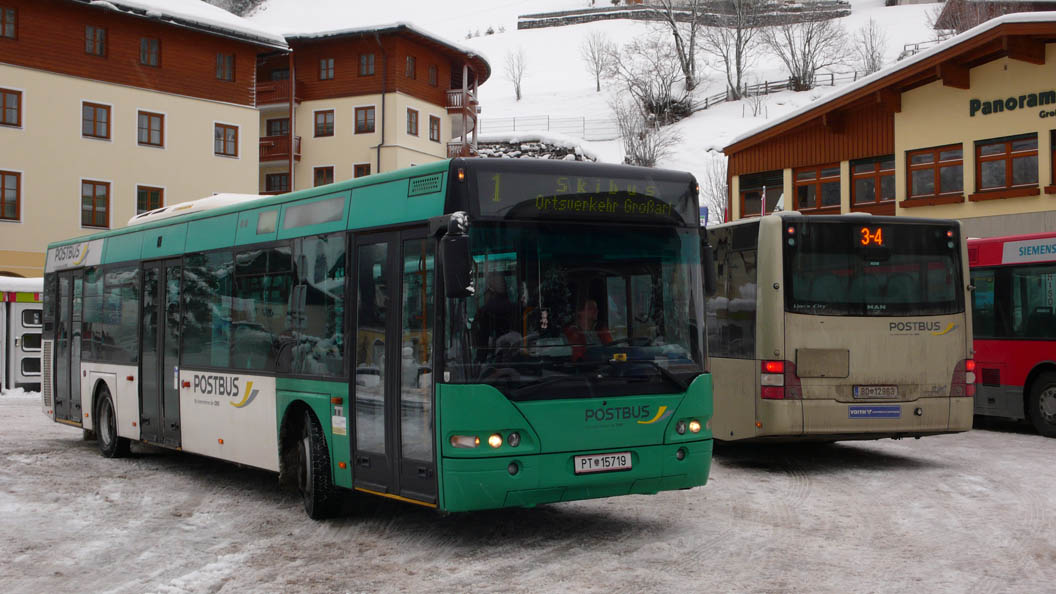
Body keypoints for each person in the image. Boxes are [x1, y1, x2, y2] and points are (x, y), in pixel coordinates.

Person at [471, 272, 518, 361]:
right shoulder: (517, 309)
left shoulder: (483, 312)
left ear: (490, 289)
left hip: (494, 363)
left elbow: (481, 348)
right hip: (518, 362)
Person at [563, 297, 612, 362]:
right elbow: (576, 357)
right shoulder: (571, 332)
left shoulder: (601, 330)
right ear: (579, 312)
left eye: (596, 308)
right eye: (590, 308)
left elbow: (611, 350)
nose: (596, 311)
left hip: (603, 366)